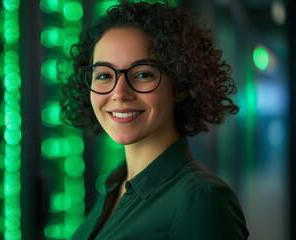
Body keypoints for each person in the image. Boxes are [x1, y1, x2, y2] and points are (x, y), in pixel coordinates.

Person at [60, 1, 249, 239]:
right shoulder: (115, 185)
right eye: (104, 75)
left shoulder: (203, 200)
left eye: (143, 74)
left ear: (180, 85)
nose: (119, 93)